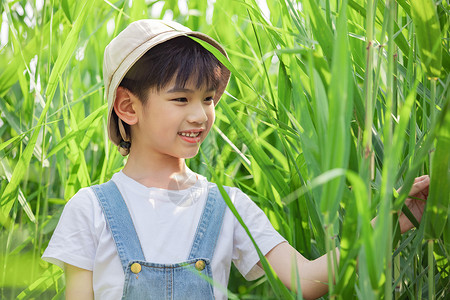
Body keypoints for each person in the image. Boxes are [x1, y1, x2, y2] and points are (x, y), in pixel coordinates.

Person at [42, 19, 430, 300]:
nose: (200, 115)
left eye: (208, 99)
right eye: (181, 99)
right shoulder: (90, 209)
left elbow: (306, 280)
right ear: (128, 105)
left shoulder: (226, 205)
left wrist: (391, 220)